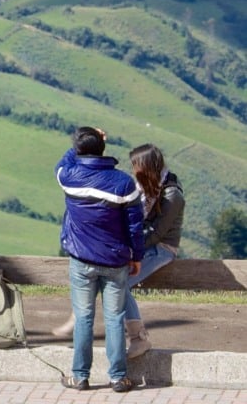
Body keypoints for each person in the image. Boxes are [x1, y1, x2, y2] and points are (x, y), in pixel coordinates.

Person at [55, 126, 144, 393]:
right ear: (104, 149)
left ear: (79, 150)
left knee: (83, 318)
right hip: (115, 261)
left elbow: (63, 161)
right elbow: (135, 226)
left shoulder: (69, 176)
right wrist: (136, 256)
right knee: (115, 318)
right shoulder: (123, 183)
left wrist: (82, 144)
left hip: (81, 260)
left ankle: (80, 376)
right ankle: (118, 377)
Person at [123, 143, 184, 358]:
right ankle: (132, 334)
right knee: (116, 284)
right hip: (144, 243)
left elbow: (157, 234)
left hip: (162, 248)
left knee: (119, 284)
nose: (133, 170)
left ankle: (138, 338)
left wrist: (133, 252)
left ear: (146, 167)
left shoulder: (172, 195)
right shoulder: (145, 188)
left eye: (136, 166)